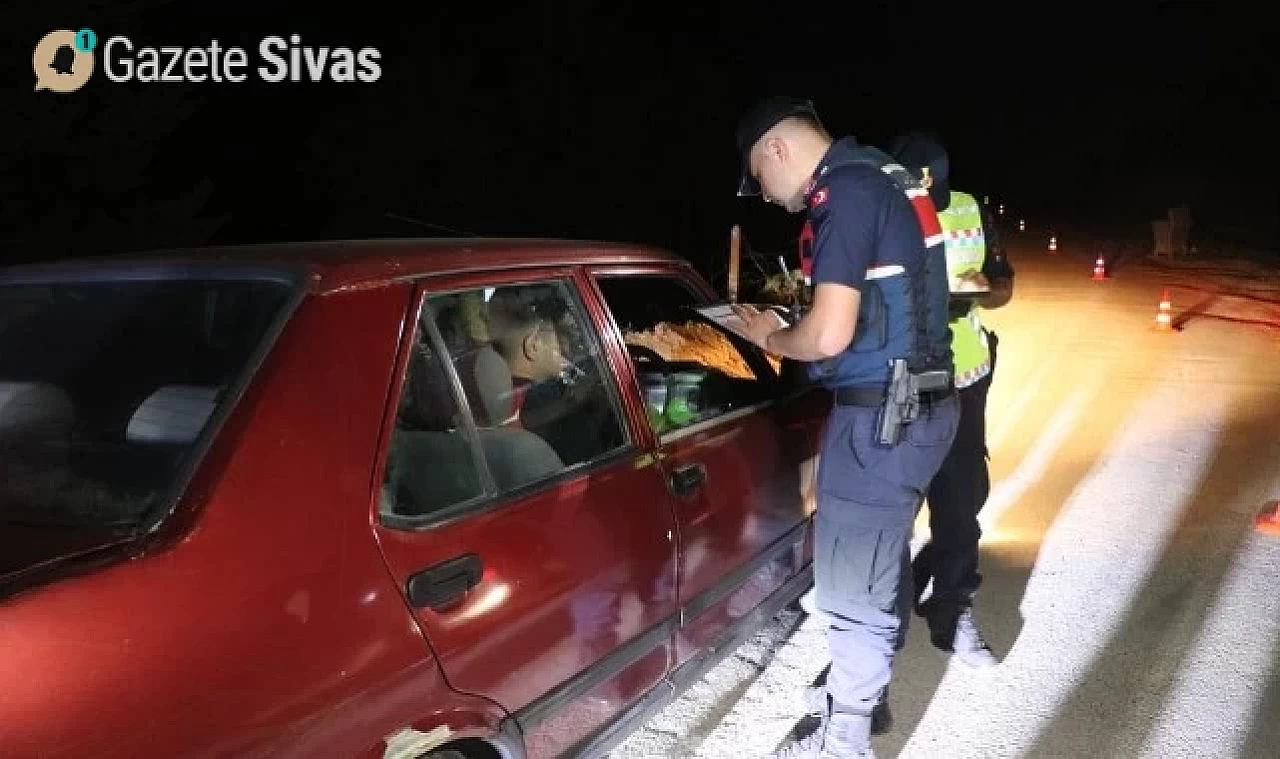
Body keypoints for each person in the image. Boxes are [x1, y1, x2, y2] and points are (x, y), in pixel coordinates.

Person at [731, 97, 959, 759]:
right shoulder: (884, 175)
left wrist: (771, 334)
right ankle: (860, 690)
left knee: (847, 588)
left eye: (759, 180)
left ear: (776, 149)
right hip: (918, 406)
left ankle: (846, 738)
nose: (768, 200)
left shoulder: (846, 192)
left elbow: (828, 332)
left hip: (879, 418)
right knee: (875, 559)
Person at [888, 132, 1015, 667]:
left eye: (934, 192)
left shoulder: (969, 210)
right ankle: (876, 633)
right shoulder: (878, 213)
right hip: (899, 378)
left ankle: (952, 607)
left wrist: (984, 285)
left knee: (961, 498)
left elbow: (1004, 287)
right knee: (892, 508)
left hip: (965, 371)